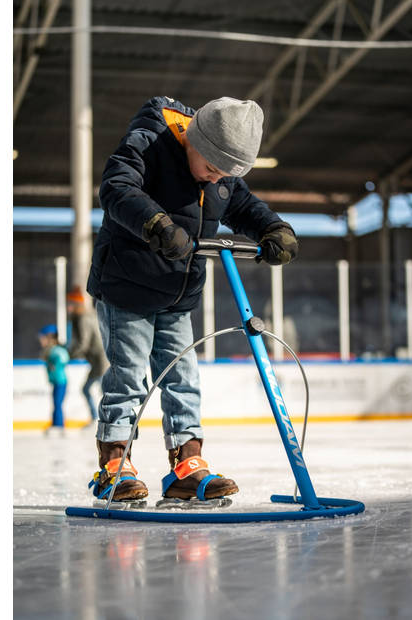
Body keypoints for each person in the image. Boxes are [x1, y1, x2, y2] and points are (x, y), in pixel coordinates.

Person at [86, 96, 298, 504]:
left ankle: (187, 464)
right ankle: (114, 464)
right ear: (194, 140)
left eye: (225, 174)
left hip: (179, 294)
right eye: (212, 168)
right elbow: (116, 186)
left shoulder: (219, 173)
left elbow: (242, 204)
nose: (214, 178)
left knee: (184, 379)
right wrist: (156, 224)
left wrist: (273, 228)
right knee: (129, 377)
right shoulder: (150, 141)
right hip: (127, 287)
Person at [66, 286, 110, 425]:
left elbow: (83, 343)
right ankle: (103, 418)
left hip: (100, 361)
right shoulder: (89, 315)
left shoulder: (82, 318)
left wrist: (68, 355)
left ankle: (100, 419)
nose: (68, 308)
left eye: (69, 304)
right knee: (100, 390)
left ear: (75, 304)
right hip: (101, 359)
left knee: (97, 390)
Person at [38, 324, 70, 428]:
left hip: (61, 382)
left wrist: (56, 362)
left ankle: (58, 425)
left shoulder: (56, 350)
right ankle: (55, 423)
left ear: (50, 338)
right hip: (57, 382)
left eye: (43, 338)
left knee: (57, 403)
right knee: (55, 403)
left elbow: (64, 358)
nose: (41, 341)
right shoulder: (50, 351)